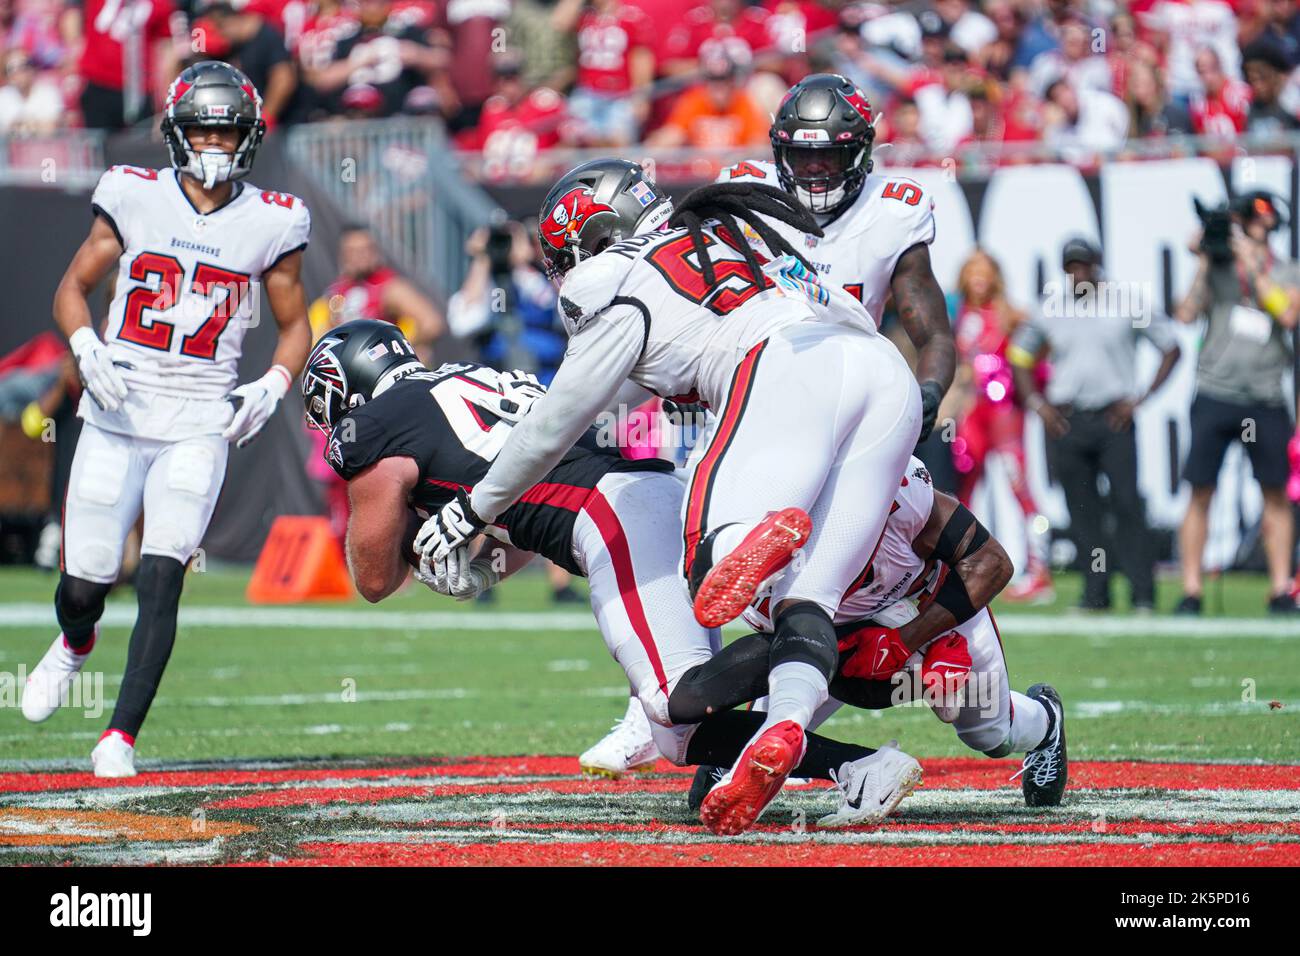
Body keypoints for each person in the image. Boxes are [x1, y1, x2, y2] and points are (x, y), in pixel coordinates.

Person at [416, 159, 922, 835]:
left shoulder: (608, 276)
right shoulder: (730, 229)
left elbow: (556, 421)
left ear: (591, 239)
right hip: (881, 375)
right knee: (807, 606)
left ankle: (740, 542)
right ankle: (782, 732)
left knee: (706, 557)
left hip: (783, 369)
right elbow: (840, 309)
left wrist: (472, 508)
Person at [305, 320, 916, 816]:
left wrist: (420, 548)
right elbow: (529, 503)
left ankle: (841, 642)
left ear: (347, 383)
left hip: (610, 517)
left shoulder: (375, 424)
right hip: (641, 498)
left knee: (672, 700)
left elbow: (375, 578)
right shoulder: (472, 376)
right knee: (680, 734)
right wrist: (486, 566)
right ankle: (859, 765)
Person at [19, 62, 312, 776]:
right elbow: (72, 288)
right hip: (119, 413)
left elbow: (294, 322)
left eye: (228, 129)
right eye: (204, 127)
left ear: (249, 137)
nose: (215, 142)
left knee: (162, 573)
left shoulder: (274, 219)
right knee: (84, 583)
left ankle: (120, 735)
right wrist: (86, 344)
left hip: (199, 420)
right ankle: (75, 641)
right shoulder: (132, 194)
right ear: (177, 134)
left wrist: (273, 384)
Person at [674, 457, 1068, 819]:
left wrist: (909, 641)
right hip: (828, 640)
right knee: (778, 714)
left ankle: (1044, 720)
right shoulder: (753, 548)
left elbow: (990, 562)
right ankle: (758, 742)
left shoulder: (894, 495)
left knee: (990, 732)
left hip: (927, 613)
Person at [716, 73, 956, 445]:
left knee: (922, 500)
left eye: (828, 156)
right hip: (749, 398)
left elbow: (935, 335)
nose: (814, 169)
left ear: (860, 152)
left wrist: (930, 390)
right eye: (802, 156)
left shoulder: (892, 213)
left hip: (849, 402)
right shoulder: (745, 195)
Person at [1009, 237, 1181, 613]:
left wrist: (1142, 397)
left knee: (1126, 504)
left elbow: (1171, 346)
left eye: (1084, 265)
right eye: (1072, 266)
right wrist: (1037, 404)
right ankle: (1095, 593)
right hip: (1066, 421)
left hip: (1113, 417)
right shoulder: (1050, 308)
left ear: (1097, 265)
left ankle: (1143, 593)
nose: (1079, 272)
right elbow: (1019, 355)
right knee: (1082, 510)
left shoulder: (1127, 302)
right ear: (1064, 270)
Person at [1174, 191, 1300, 615]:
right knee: (1200, 490)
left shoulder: (1287, 269)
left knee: (1275, 493)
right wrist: (1206, 263)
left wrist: (1252, 263)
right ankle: (1191, 587)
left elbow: (1287, 314)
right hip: (1215, 392)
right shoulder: (1219, 269)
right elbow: (1186, 314)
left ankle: (1280, 586)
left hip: (1264, 397)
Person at [950, 249, 1053, 603]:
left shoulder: (1012, 315)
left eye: (985, 271)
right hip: (973, 410)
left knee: (1019, 484)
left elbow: (1039, 353)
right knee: (963, 488)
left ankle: (1039, 568)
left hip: (1005, 410)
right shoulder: (957, 313)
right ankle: (958, 566)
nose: (978, 278)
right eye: (971, 271)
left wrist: (1033, 390)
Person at [314, 225, 445, 362]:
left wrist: (398, 352)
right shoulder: (338, 290)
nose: (361, 257)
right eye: (353, 251)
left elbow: (431, 323)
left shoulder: (389, 287)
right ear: (343, 255)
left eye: (366, 250)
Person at [194, 0, 297, 127]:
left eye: (219, 29)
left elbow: (284, 79)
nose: (220, 36)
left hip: (284, 125)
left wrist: (266, 117)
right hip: (250, 124)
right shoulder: (234, 47)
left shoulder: (267, 36)